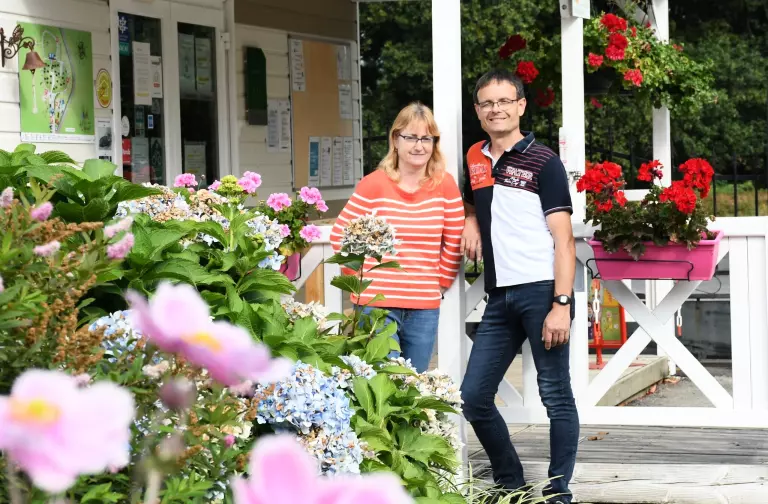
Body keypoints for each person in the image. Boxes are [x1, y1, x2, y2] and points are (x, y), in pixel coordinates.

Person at [459, 69, 578, 504]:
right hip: (499, 297)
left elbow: (565, 240)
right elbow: (474, 202)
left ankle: (558, 491)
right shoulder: (474, 157)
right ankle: (511, 483)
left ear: (521, 106)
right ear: (478, 111)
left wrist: (561, 304)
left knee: (555, 395)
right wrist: (471, 220)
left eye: (504, 101)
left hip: (542, 291)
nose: (496, 110)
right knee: (473, 397)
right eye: (487, 103)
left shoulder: (545, 161)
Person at [330, 102, 464, 373]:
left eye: (426, 138)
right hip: (376, 305)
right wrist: (358, 279)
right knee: (382, 381)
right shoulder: (373, 184)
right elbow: (340, 234)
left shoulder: (445, 185)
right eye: (411, 137)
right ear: (395, 139)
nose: (419, 146)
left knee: (414, 382)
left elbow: (454, 239)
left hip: (424, 307)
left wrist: (441, 283)